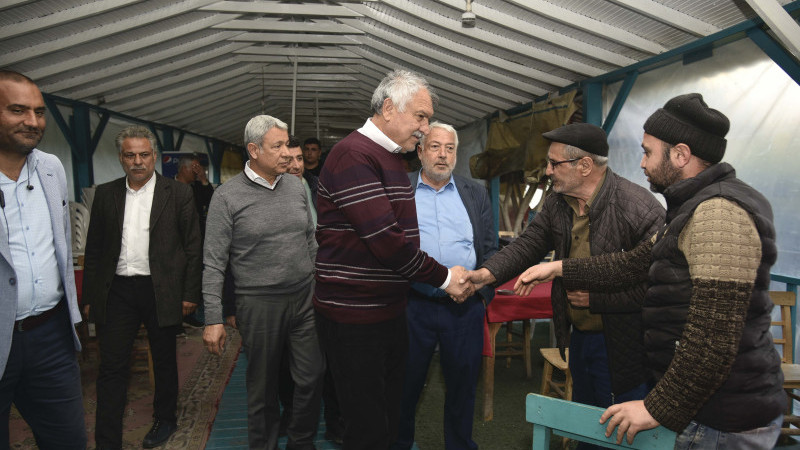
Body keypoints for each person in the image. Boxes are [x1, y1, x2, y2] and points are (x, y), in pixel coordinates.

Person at [511, 93, 785, 449]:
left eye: (648, 152)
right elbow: (632, 264)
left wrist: (658, 408)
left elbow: (712, 341)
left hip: (722, 418)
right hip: (703, 410)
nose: (641, 163)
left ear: (680, 155)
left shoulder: (718, 214)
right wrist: (559, 268)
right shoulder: (690, 209)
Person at [466, 123, 665, 431]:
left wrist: (599, 300)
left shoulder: (637, 207)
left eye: (554, 163)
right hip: (578, 336)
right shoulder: (559, 202)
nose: (547, 171)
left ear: (584, 166)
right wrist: (485, 274)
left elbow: (659, 288)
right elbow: (528, 244)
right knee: (587, 423)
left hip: (624, 344)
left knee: (619, 430)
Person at [313, 69, 473, 450]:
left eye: (428, 118)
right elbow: (387, 241)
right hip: (354, 317)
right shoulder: (353, 154)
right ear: (388, 107)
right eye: (420, 116)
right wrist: (445, 279)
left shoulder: (390, 158)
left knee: (387, 419)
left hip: (385, 310)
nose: (425, 127)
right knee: (366, 427)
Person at [202, 115, 323, 450]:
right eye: (278, 146)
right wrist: (213, 317)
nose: (287, 153)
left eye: (288, 144)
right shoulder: (227, 197)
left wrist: (319, 284)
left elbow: (310, 240)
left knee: (312, 376)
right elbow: (213, 262)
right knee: (262, 388)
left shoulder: (296, 186)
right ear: (254, 150)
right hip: (258, 303)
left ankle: (300, 442)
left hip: (304, 297)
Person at [83, 125, 202, 449]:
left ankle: (165, 420)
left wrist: (190, 295)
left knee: (164, 359)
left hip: (160, 289)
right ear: (121, 158)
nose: (137, 161)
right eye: (130, 155)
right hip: (117, 291)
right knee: (112, 366)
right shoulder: (105, 194)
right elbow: (93, 250)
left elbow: (193, 246)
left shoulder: (177, 193)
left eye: (144, 154)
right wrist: (91, 297)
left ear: (154, 157)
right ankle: (108, 439)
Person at [391, 122, 497, 450]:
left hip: (463, 308)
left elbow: (491, 248)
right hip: (413, 305)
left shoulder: (474, 192)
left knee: (463, 385)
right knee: (404, 385)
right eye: (435, 147)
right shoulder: (398, 190)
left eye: (450, 148)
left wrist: (481, 291)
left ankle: (460, 445)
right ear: (420, 151)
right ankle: (398, 444)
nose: (442, 155)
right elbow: (386, 247)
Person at [0, 69, 86, 449]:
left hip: (50, 335)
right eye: (17, 110)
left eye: (38, 112)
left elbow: (61, 243)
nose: (32, 122)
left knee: (68, 439)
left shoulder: (51, 168)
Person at [175, 153, 214, 328]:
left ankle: (190, 313)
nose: (198, 171)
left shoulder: (196, 187)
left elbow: (211, 200)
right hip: (176, 241)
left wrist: (203, 179)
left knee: (194, 274)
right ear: (184, 168)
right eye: (195, 168)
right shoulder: (170, 187)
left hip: (196, 238)